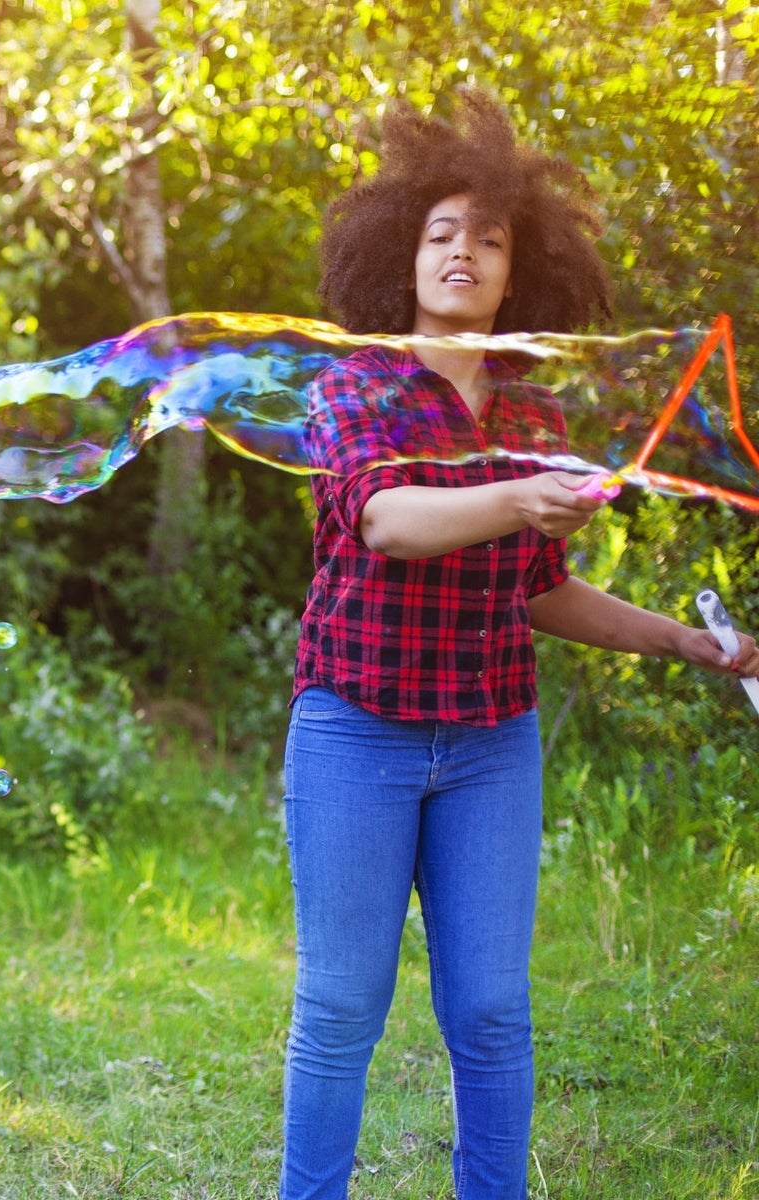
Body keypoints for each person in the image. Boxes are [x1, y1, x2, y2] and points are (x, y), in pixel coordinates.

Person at [287, 89, 759, 1199]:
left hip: (491, 741)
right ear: (397, 257)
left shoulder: (531, 418)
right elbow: (387, 521)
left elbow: (539, 588)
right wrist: (515, 498)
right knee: (340, 1006)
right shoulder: (352, 388)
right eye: (439, 233)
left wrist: (690, 649)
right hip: (356, 731)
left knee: (491, 1009)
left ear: (516, 273)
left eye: (487, 240)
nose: (461, 252)